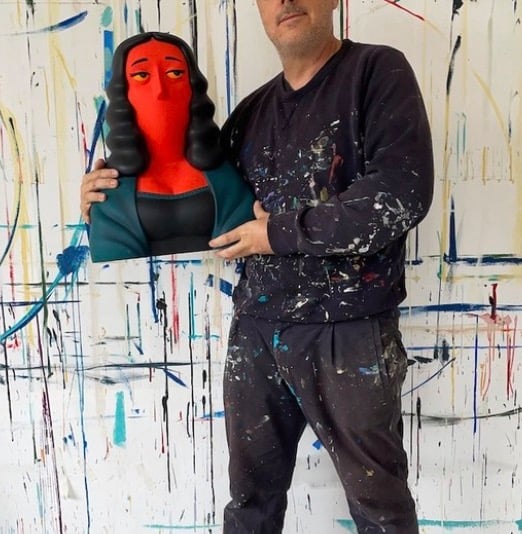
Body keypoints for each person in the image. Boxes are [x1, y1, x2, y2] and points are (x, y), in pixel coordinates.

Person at [81, 1, 434, 532]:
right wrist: (106, 193)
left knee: (378, 506)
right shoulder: (250, 113)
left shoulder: (375, 71)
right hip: (257, 329)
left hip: (350, 330)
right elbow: (193, 194)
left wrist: (277, 232)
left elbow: (400, 195)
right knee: (250, 506)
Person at [86, 32, 254, 262]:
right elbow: (116, 270)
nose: (159, 89)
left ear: (193, 87)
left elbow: (249, 249)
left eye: (174, 73)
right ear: (122, 92)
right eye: (142, 75)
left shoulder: (232, 159)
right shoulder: (108, 188)